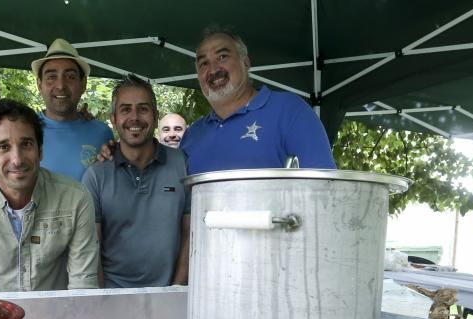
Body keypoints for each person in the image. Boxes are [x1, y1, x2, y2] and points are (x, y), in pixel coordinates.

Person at [0, 99, 100, 293]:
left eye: (26, 144)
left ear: (40, 150)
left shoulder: (76, 199)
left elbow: (82, 289)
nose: (17, 159)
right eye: (3, 147)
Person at [82, 76, 190, 288]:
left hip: (170, 297)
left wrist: (176, 290)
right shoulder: (96, 175)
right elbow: (91, 251)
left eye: (143, 109)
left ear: (156, 116)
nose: (134, 117)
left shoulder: (182, 164)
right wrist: (104, 302)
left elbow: (190, 235)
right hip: (113, 301)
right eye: (125, 109)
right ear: (113, 118)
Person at [180, 29, 336, 174]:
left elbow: (323, 189)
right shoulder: (192, 136)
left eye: (222, 57)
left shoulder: (290, 111)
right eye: (203, 64)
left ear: (246, 62)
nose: (213, 70)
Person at [31, 38, 114, 182]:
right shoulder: (26, 129)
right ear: (39, 84)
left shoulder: (102, 133)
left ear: (83, 84)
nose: (61, 85)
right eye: (51, 77)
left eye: (70, 76)